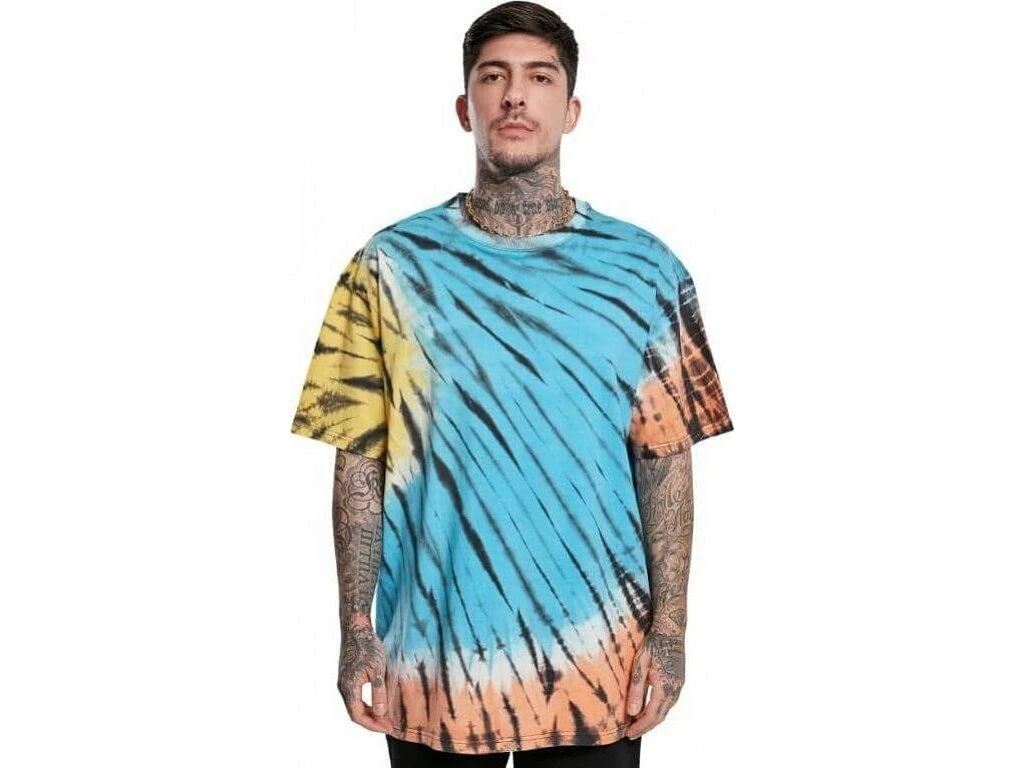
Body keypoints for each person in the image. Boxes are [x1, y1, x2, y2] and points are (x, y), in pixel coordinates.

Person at [289, 3, 734, 766]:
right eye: (493, 77)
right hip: (433, 665)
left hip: (600, 670)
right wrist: (355, 628)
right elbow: (358, 460)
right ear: (466, 108)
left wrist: (670, 631)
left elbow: (664, 460)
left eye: (540, 78)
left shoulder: (645, 271)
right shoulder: (389, 267)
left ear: (572, 109)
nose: (515, 95)